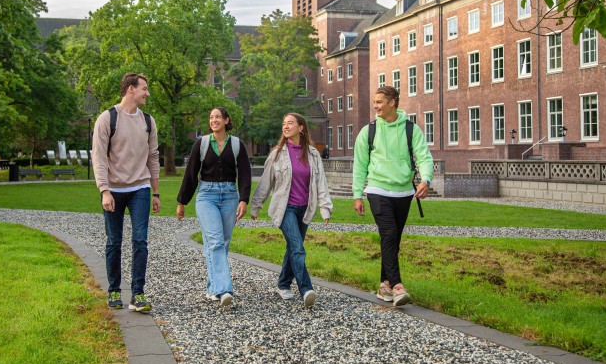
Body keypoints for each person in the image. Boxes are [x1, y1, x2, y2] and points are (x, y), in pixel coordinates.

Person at [352, 86, 433, 307]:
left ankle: (384, 284)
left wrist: (426, 180)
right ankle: (397, 286)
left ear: (392, 102)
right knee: (389, 233)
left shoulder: (411, 129)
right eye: (374, 102)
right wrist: (357, 195)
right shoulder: (368, 131)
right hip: (377, 189)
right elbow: (360, 165)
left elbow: (424, 157)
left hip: (404, 191)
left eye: (379, 102)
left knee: (393, 239)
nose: (375, 106)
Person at [92, 72, 160, 313]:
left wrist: (156, 192)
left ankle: (138, 294)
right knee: (114, 241)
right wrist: (104, 190)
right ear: (131, 89)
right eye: (144, 88)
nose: (147, 93)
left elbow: (153, 157)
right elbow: (99, 158)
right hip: (114, 190)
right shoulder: (107, 119)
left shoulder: (148, 121)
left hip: (140, 188)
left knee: (140, 240)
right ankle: (114, 290)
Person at [251, 113, 332, 308]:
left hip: (305, 209)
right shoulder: (277, 154)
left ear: (301, 128)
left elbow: (321, 183)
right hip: (285, 208)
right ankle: (306, 289)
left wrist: (325, 208)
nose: (286, 126)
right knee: (297, 247)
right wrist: (255, 206)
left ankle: (283, 283)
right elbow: (265, 183)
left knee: (293, 247)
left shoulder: (313, 154)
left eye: (290, 123)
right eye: (284, 123)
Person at [176, 107, 251, 307]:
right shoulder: (201, 144)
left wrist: (243, 199)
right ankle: (225, 289)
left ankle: (212, 288)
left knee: (221, 243)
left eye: (218, 117)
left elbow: (245, 173)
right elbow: (191, 174)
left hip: (230, 196)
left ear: (226, 120)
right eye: (211, 117)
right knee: (216, 241)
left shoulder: (237, 144)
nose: (214, 120)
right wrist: (182, 201)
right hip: (206, 196)